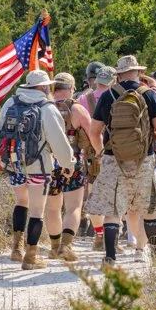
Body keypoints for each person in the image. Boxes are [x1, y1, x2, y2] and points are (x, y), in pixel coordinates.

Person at [87, 55, 156, 268]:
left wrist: (102, 152)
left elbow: (94, 131)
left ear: (118, 74)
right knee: (150, 206)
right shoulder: (149, 95)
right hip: (143, 159)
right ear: (137, 72)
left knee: (113, 209)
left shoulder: (108, 95)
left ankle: (109, 258)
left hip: (112, 158)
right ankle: (153, 254)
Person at [0, 70, 76, 270]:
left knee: (21, 202)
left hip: (13, 163)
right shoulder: (47, 108)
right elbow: (58, 140)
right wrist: (69, 163)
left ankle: (16, 249)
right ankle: (31, 256)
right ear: (44, 87)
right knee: (37, 209)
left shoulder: (11, 103)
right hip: (38, 166)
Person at [51, 72, 98, 262]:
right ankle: (66, 246)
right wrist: (100, 154)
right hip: (74, 163)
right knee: (73, 207)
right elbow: (93, 133)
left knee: (52, 208)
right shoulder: (77, 110)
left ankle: (54, 247)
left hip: (50, 163)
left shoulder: (45, 107)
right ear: (71, 89)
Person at [78, 64, 115, 249]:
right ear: (113, 81)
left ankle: (99, 235)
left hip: (91, 154)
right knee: (114, 195)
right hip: (115, 150)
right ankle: (113, 236)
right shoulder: (119, 97)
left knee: (94, 195)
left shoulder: (83, 99)